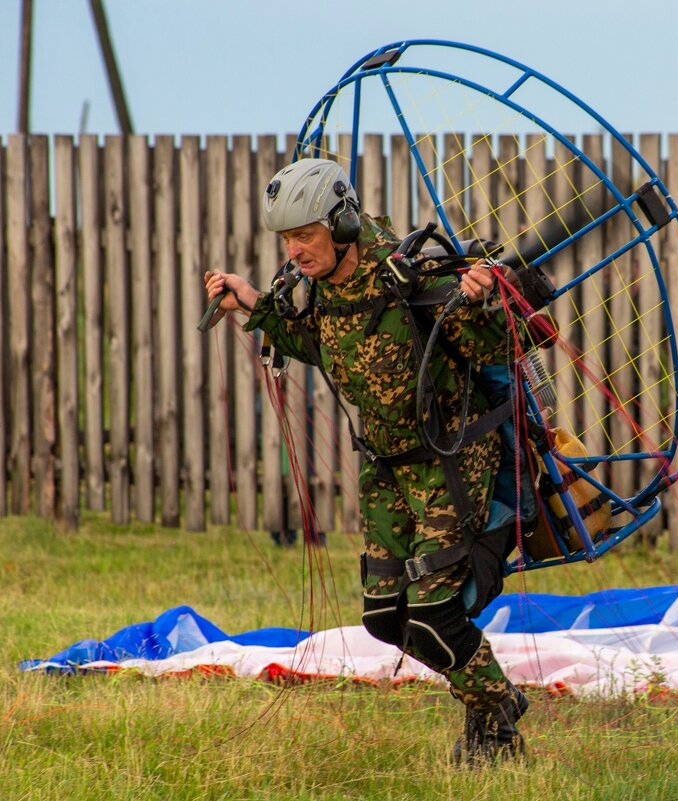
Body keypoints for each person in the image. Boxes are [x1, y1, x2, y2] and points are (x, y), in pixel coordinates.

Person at [203, 157, 528, 764]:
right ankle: (489, 710)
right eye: (286, 240)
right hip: (385, 468)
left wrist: (483, 301)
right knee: (383, 615)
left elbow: (507, 344)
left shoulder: (410, 279)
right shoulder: (321, 289)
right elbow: (321, 344)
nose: (295, 251)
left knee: (432, 611)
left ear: (343, 223)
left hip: (447, 462)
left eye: (305, 236)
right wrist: (252, 304)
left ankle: (497, 708)